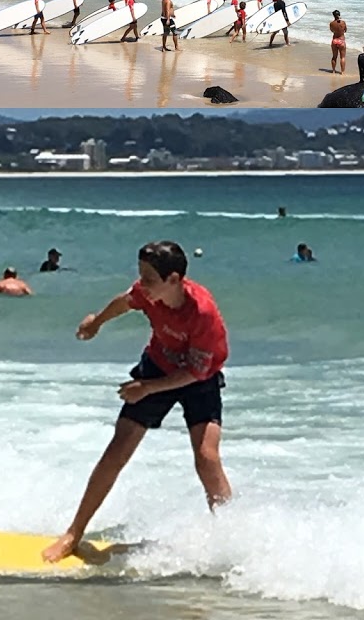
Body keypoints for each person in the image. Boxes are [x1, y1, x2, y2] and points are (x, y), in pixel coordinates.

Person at [42, 240, 231, 564]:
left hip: (198, 379)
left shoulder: (203, 313)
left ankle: (232, 539)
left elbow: (196, 373)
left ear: (174, 280)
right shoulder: (148, 293)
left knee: (207, 458)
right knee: (118, 448)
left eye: (148, 278)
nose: (141, 283)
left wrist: (146, 388)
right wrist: (97, 322)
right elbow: (125, 302)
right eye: (140, 275)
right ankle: (74, 533)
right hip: (158, 364)